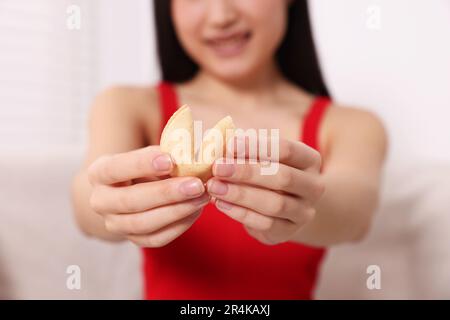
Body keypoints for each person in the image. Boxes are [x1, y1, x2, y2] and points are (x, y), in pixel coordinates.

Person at [71, 0, 387, 299]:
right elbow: (87, 201)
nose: (221, 16)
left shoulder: (351, 124)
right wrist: (108, 198)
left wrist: (303, 201)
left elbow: (355, 211)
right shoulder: (128, 105)